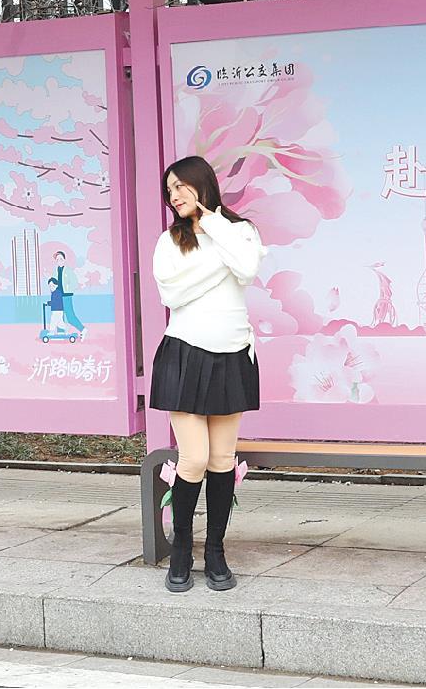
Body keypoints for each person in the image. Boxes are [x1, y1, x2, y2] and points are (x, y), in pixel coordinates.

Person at [148, 154, 265, 594]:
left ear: (202, 183)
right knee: (194, 458)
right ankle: (181, 548)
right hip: (184, 353)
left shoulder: (241, 230)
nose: (174, 195)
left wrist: (215, 227)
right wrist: (224, 261)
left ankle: (215, 551)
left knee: (221, 461)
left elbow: (247, 269)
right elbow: (172, 292)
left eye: (180, 186)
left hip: (233, 353)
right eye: (169, 190)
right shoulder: (170, 240)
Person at [46, 249, 85, 337]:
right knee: (59, 315)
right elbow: (53, 283)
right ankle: (61, 332)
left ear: (64, 260)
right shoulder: (55, 271)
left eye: (61, 259)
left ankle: (82, 329)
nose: (59, 261)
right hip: (58, 296)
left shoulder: (69, 271)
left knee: (70, 316)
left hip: (66, 296)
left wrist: (67, 289)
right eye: (57, 260)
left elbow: (75, 283)